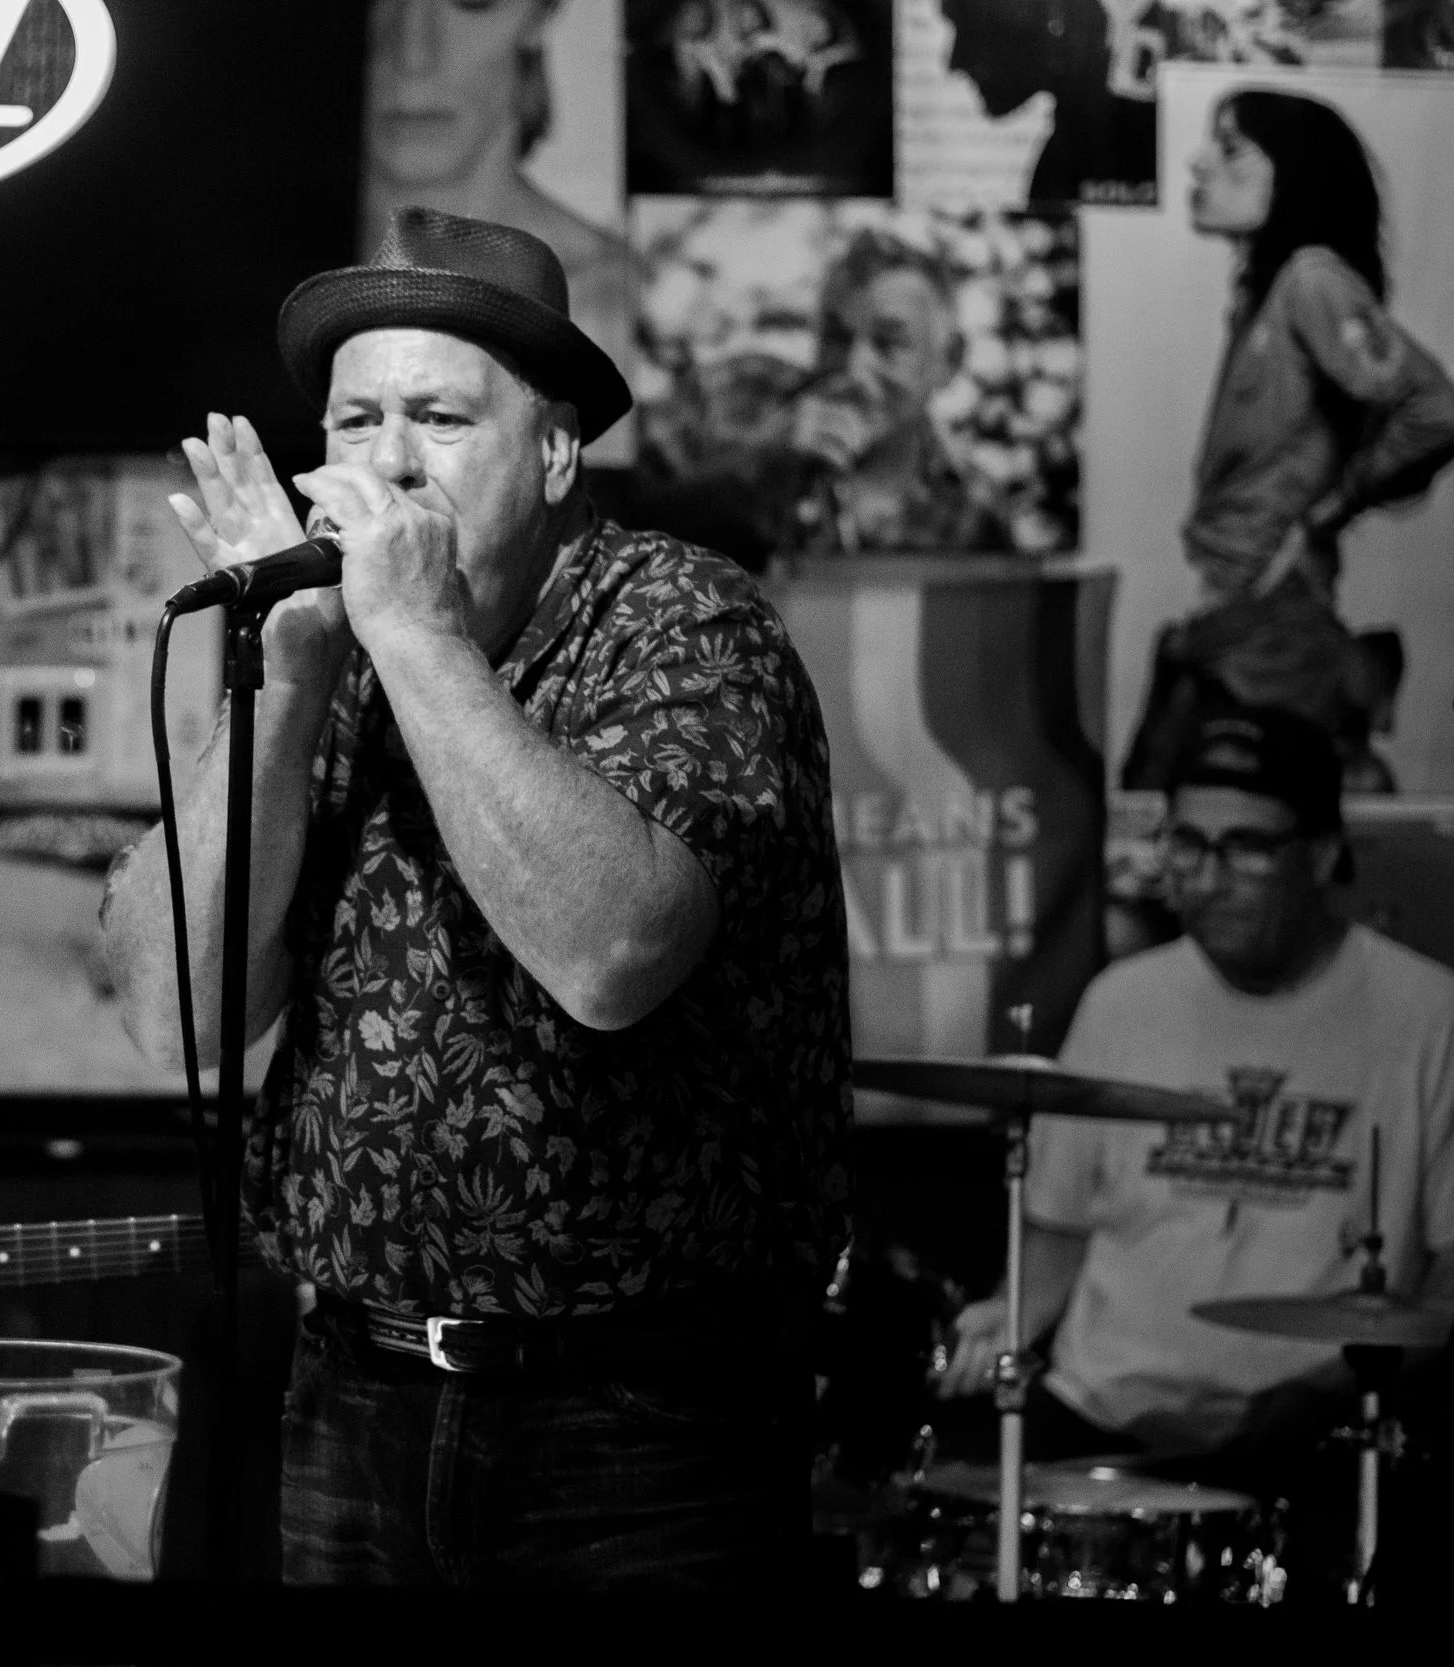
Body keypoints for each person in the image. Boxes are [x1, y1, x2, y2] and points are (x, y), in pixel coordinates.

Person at [97, 206, 851, 1592]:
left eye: (441, 417)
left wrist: (417, 636)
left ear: (556, 451)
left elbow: (616, 950)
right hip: (352, 1383)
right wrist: (299, 668)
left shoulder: (682, 623)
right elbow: (171, 1012)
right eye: (357, 418)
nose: (386, 462)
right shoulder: (324, 649)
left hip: (639, 1420)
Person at [940, 708, 1454, 1506]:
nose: (1205, 878)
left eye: (1244, 847)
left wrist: (1315, 1394)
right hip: (1099, 1414)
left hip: (1306, 1435)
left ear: (1322, 855)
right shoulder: (1121, 1000)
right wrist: (1003, 1319)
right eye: (1186, 843)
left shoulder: (1429, 1017)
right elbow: (1060, 1233)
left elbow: (1446, 1291)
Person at [1121, 89, 1454, 792]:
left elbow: (1435, 408)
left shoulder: (1311, 280)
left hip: (1274, 625)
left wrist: (1331, 509)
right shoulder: (1267, 296)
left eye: (1233, 149)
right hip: (1236, 615)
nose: (1197, 162)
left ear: (1294, 171)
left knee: (1244, 823)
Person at [637, 227, 1009, 561]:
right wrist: (755, 468)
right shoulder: (733, 391)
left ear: (949, 361)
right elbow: (610, 509)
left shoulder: (973, 511)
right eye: (835, 336)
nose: (853, 368)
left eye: (889, 343)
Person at [362, 0, 630, 364]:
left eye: (472, 3)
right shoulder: (262, 291)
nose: (414, 56)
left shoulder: (631, 312)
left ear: (540, 13)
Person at [937, 0, 1158, 207]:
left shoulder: (1111, 147)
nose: (953, 62)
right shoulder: (1075, 147)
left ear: (1053, 22)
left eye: (971, 32)